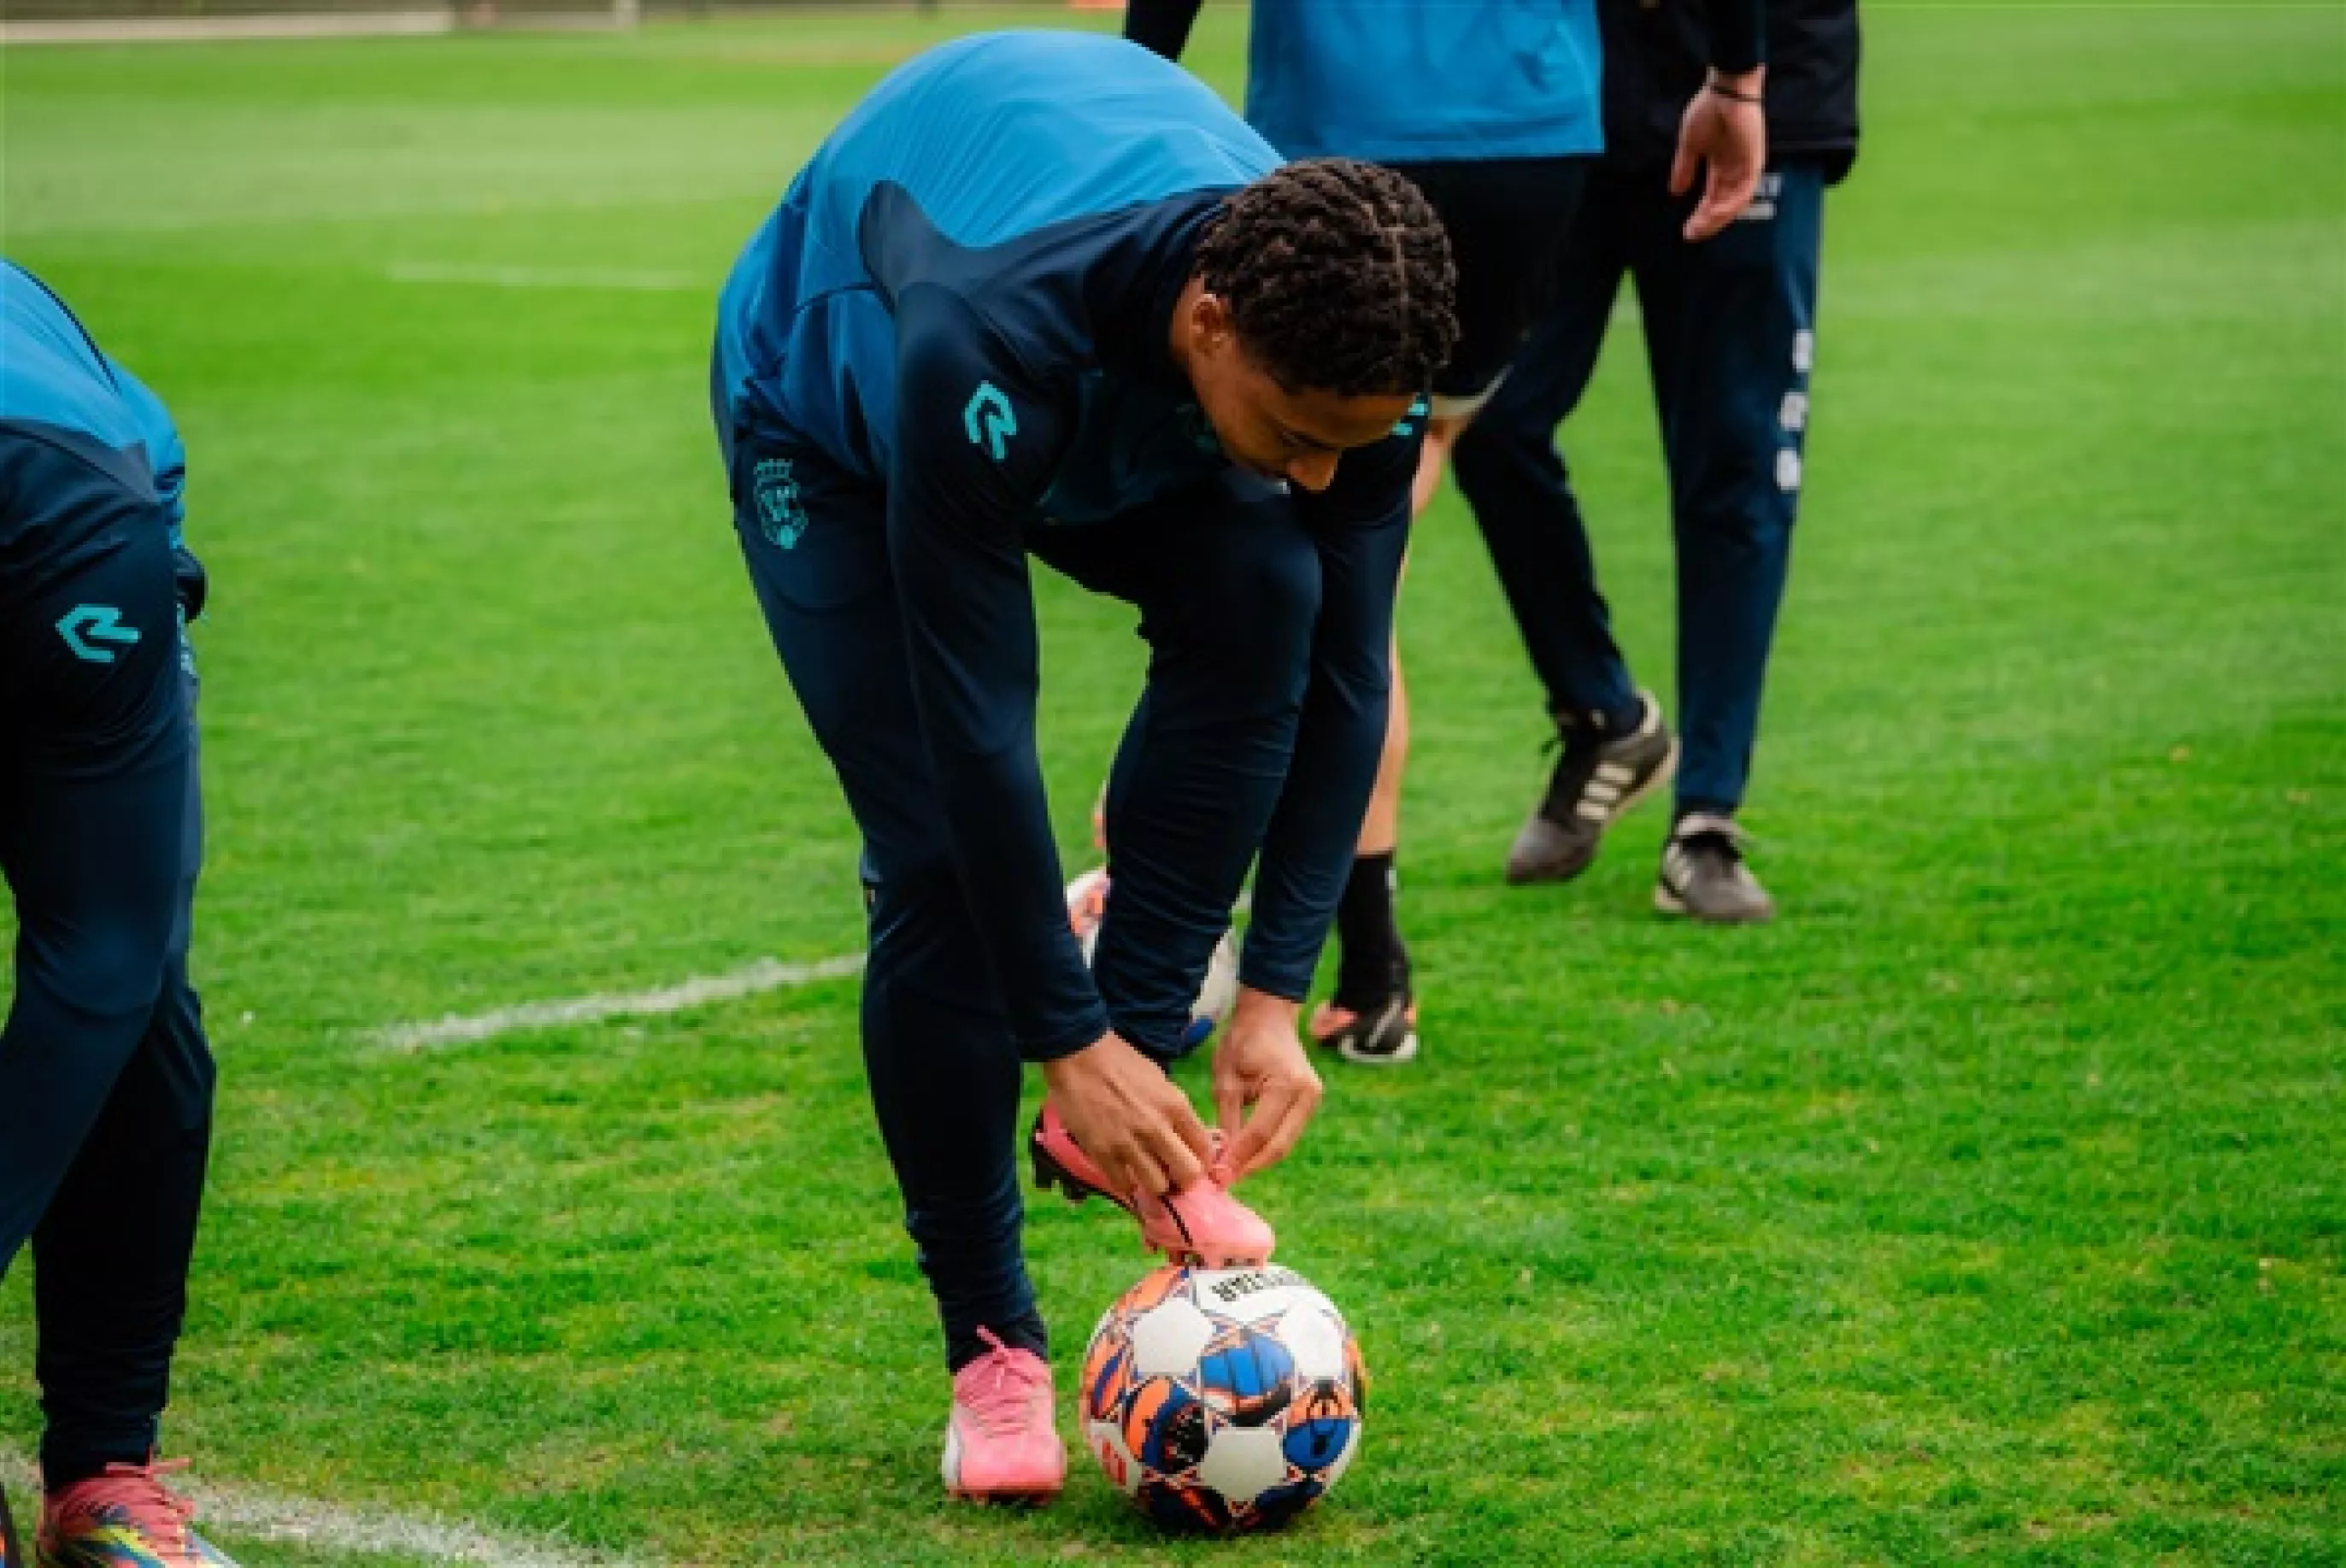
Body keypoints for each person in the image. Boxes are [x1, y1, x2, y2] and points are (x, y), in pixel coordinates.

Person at [709, 30, 1456, 1501]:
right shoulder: (982, 338)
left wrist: (1273, 998)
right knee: (933, 852)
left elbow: (1346, 680)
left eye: (1347, 451)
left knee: (1273, 595)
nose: (1323, 477)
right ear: (1211, 322)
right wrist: (1068, 1039)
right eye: (1300, 439)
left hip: (1112, 400)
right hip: (835, 418)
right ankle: (994, 1342)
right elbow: (981, 716)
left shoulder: (1356, 373)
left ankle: (1134, 1088)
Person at [1128, 0, 1768, 1062]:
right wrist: (1739, 72)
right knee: (1371, 525)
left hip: (1337, 127)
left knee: (1321, 552)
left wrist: (1136, 91)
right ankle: (1371, 963)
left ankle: (1348, 952)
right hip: (1525, 135)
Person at [1458, 0, 1861, 924]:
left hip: (1764, 88)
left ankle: (1705, 820)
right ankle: (1604, 717)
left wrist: (1739, 77)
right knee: (1487, 414)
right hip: (1568, 87)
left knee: (1735, 459)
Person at [1, 262, 236, 1565]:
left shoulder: (73, 510)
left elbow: (96, 963)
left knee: (135, 999)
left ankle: (100, 1467)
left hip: (76, 540)